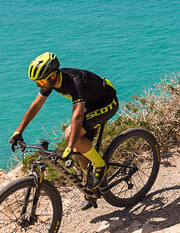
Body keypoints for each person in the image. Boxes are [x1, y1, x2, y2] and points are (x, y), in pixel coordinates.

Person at [9, 53, 119, 205]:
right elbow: (35, 106)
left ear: (53, 75)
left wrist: (70, 145)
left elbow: (78, 117)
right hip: (91, 104)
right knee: (79, 151)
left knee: (71, 134)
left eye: (40, 81)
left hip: (106, 102)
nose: (38, 85)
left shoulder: (75, 81)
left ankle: (101, 165)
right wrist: (18, 131)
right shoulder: (50, 82)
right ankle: (92, 187)